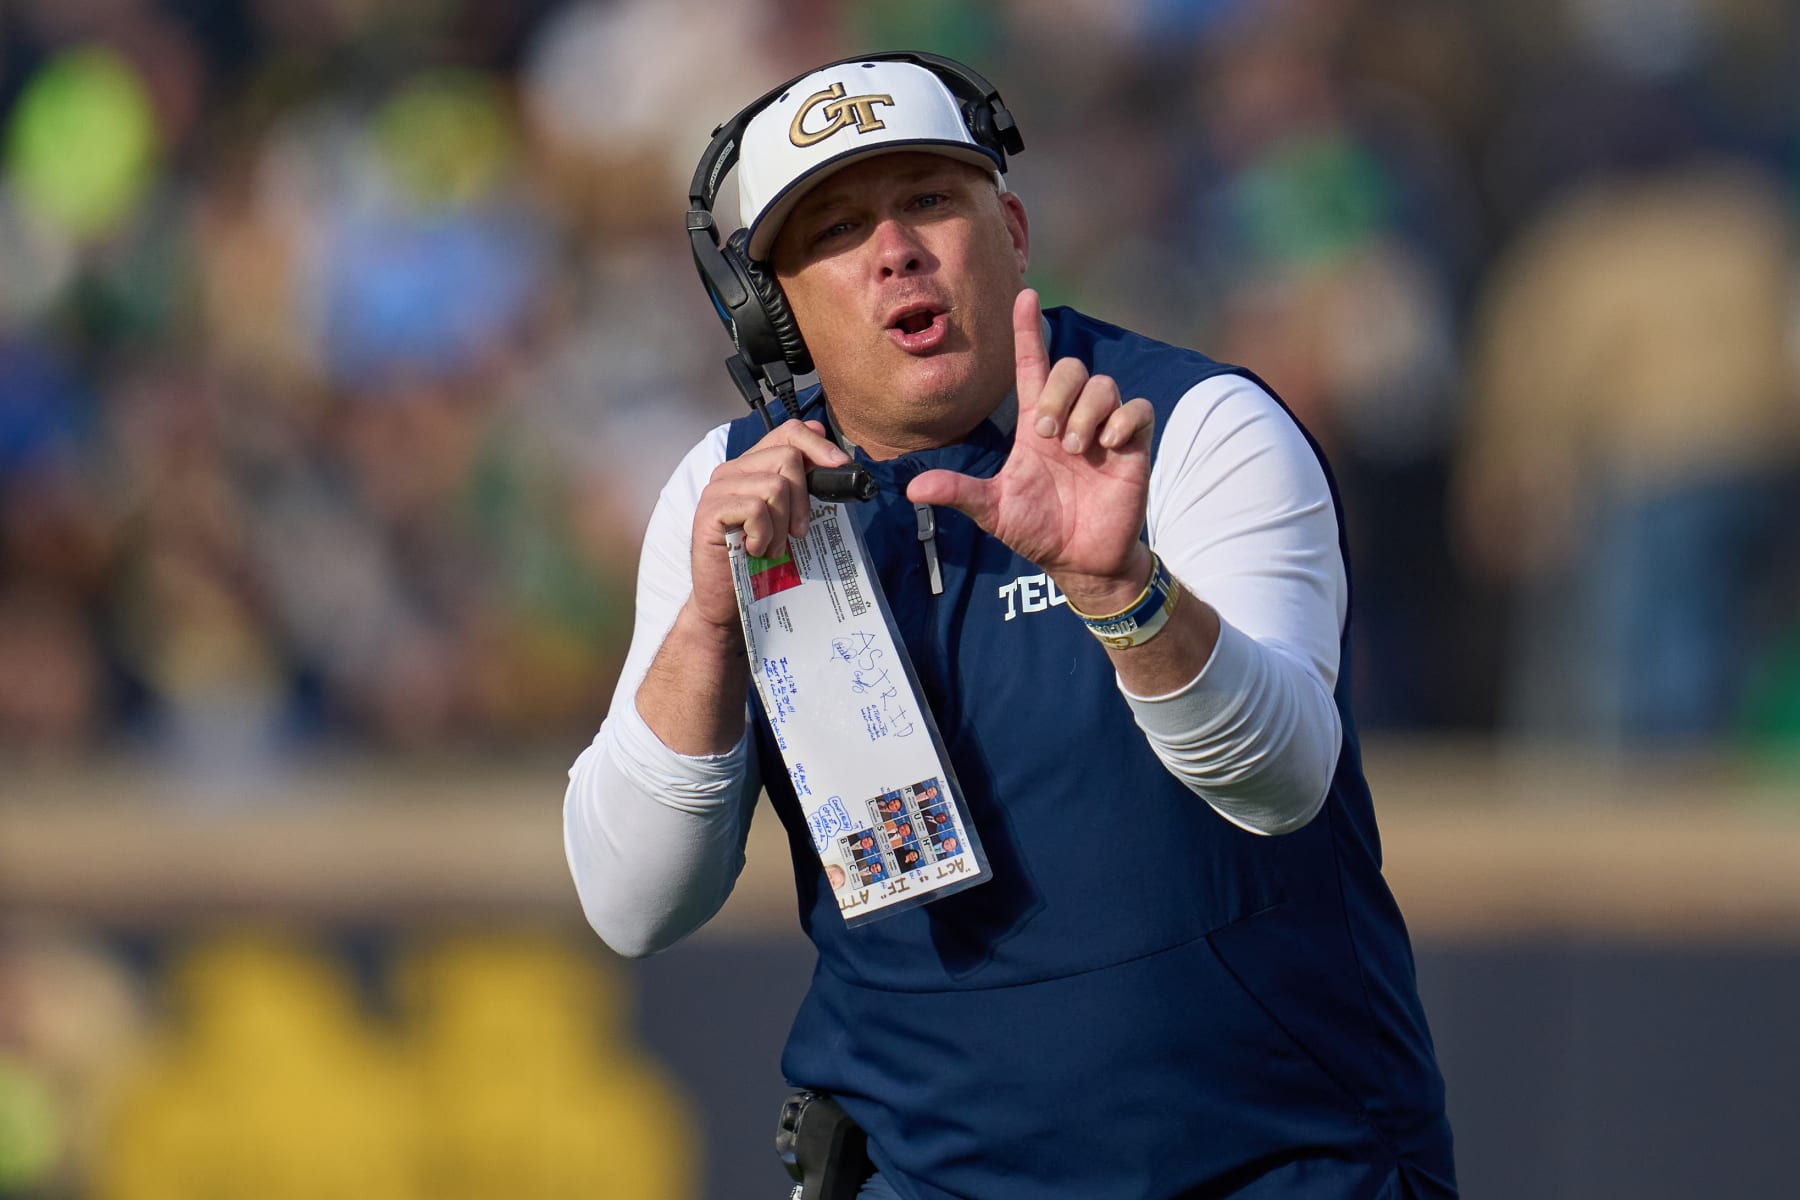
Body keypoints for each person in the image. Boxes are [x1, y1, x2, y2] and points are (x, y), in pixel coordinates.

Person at [564, 52, 1454, 1199]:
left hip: (1271, 1167)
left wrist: (1119, 587)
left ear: (1013, 228)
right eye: (833, 229)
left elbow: (1282, 780)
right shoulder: (722, 496)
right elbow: (634, 902)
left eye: (930, 200)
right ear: (771, 307)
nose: (894, 250)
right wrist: (708, 628)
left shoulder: (1191, 428)